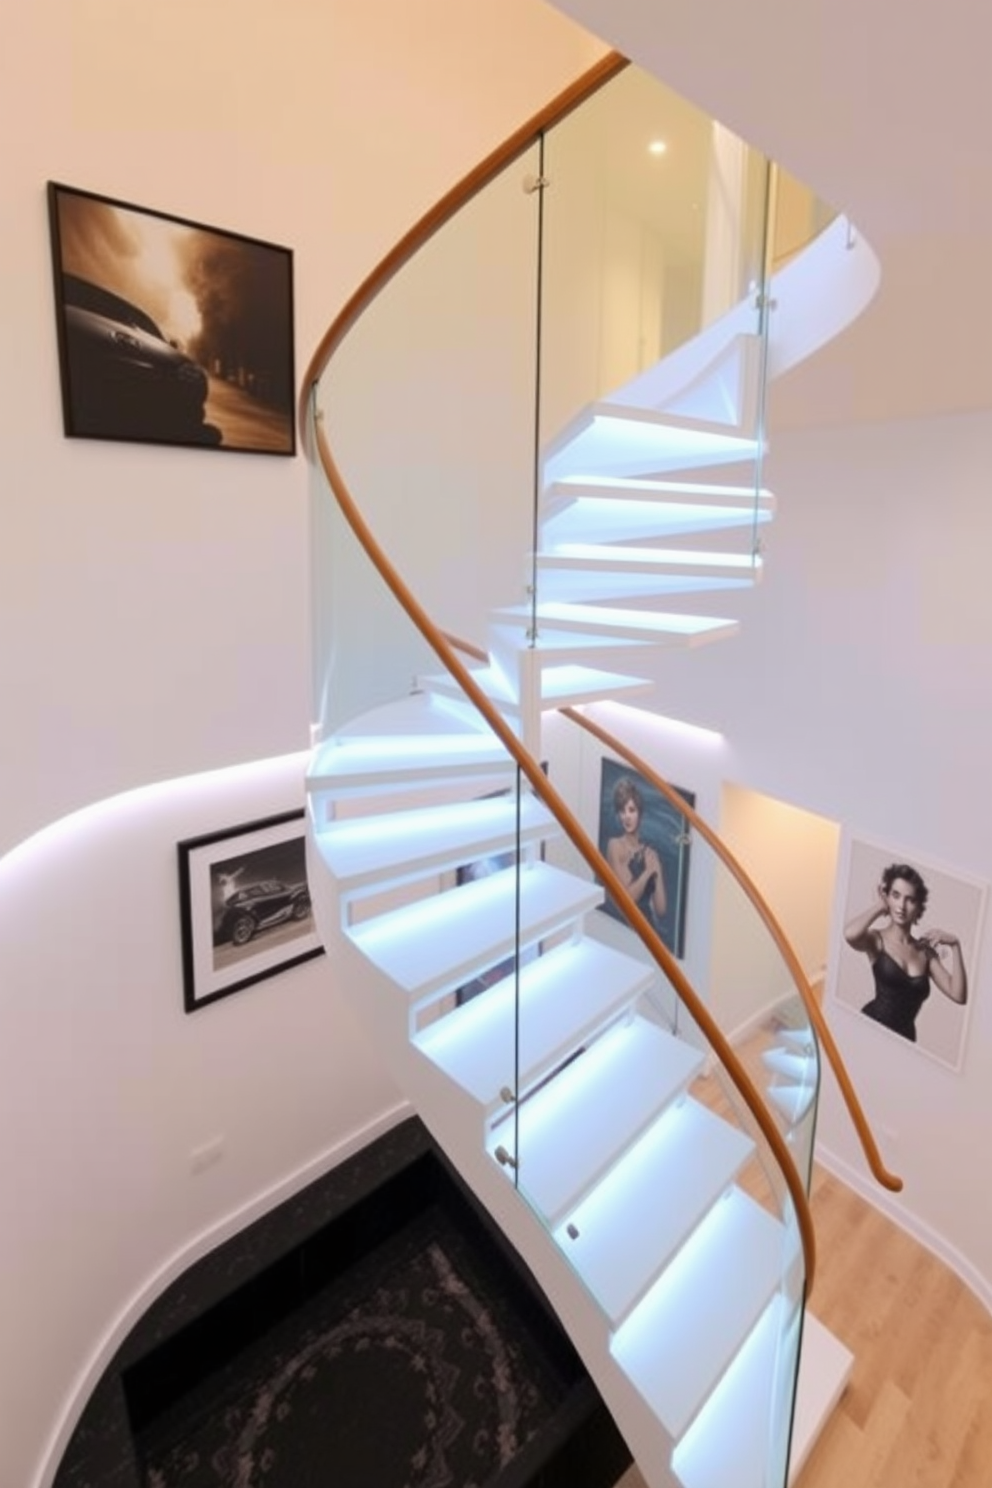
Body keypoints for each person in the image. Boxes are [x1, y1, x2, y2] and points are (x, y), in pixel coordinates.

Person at [844, 861, 967, 1042]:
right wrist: (880, 906)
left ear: (918, 908)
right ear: (888, 897)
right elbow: (850, 934)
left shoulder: (925, 953)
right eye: (896, 895)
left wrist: (956, 945)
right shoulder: (876, 940)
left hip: (905, 1039)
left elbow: (958, 995)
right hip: (870, 1029)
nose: (901, 906)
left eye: (910, 899)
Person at [605, 776, 667, 932]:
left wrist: (656, 870)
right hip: (623, 929)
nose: (626, 816)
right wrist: (647, 873)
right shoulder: (615, 845)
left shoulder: (650, 854)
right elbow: (627, 900)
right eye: (622, 811)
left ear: (640, 813)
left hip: (649, 930)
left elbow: (661, 910)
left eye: (631, 810)